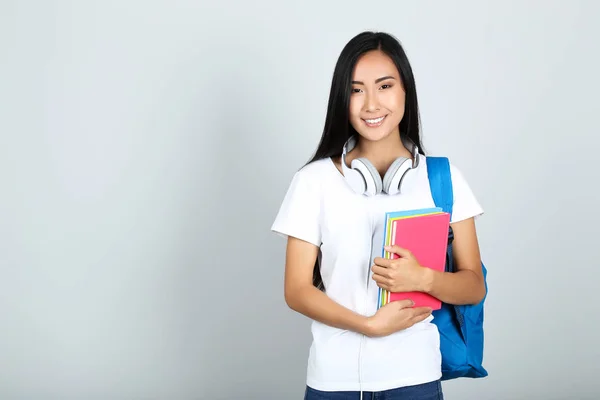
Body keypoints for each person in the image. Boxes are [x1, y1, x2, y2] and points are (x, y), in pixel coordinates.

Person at [270, 31, 486, 400]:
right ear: (343, 98)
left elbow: (473, 285)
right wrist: (369, 326)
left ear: (405, 91)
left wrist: (424, 279)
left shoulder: (443, 178)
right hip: (334, 381)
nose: (371, 104)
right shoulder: (313, 182)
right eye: (356, 90)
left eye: (384, 86)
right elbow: (296, 290)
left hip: (415, 378)